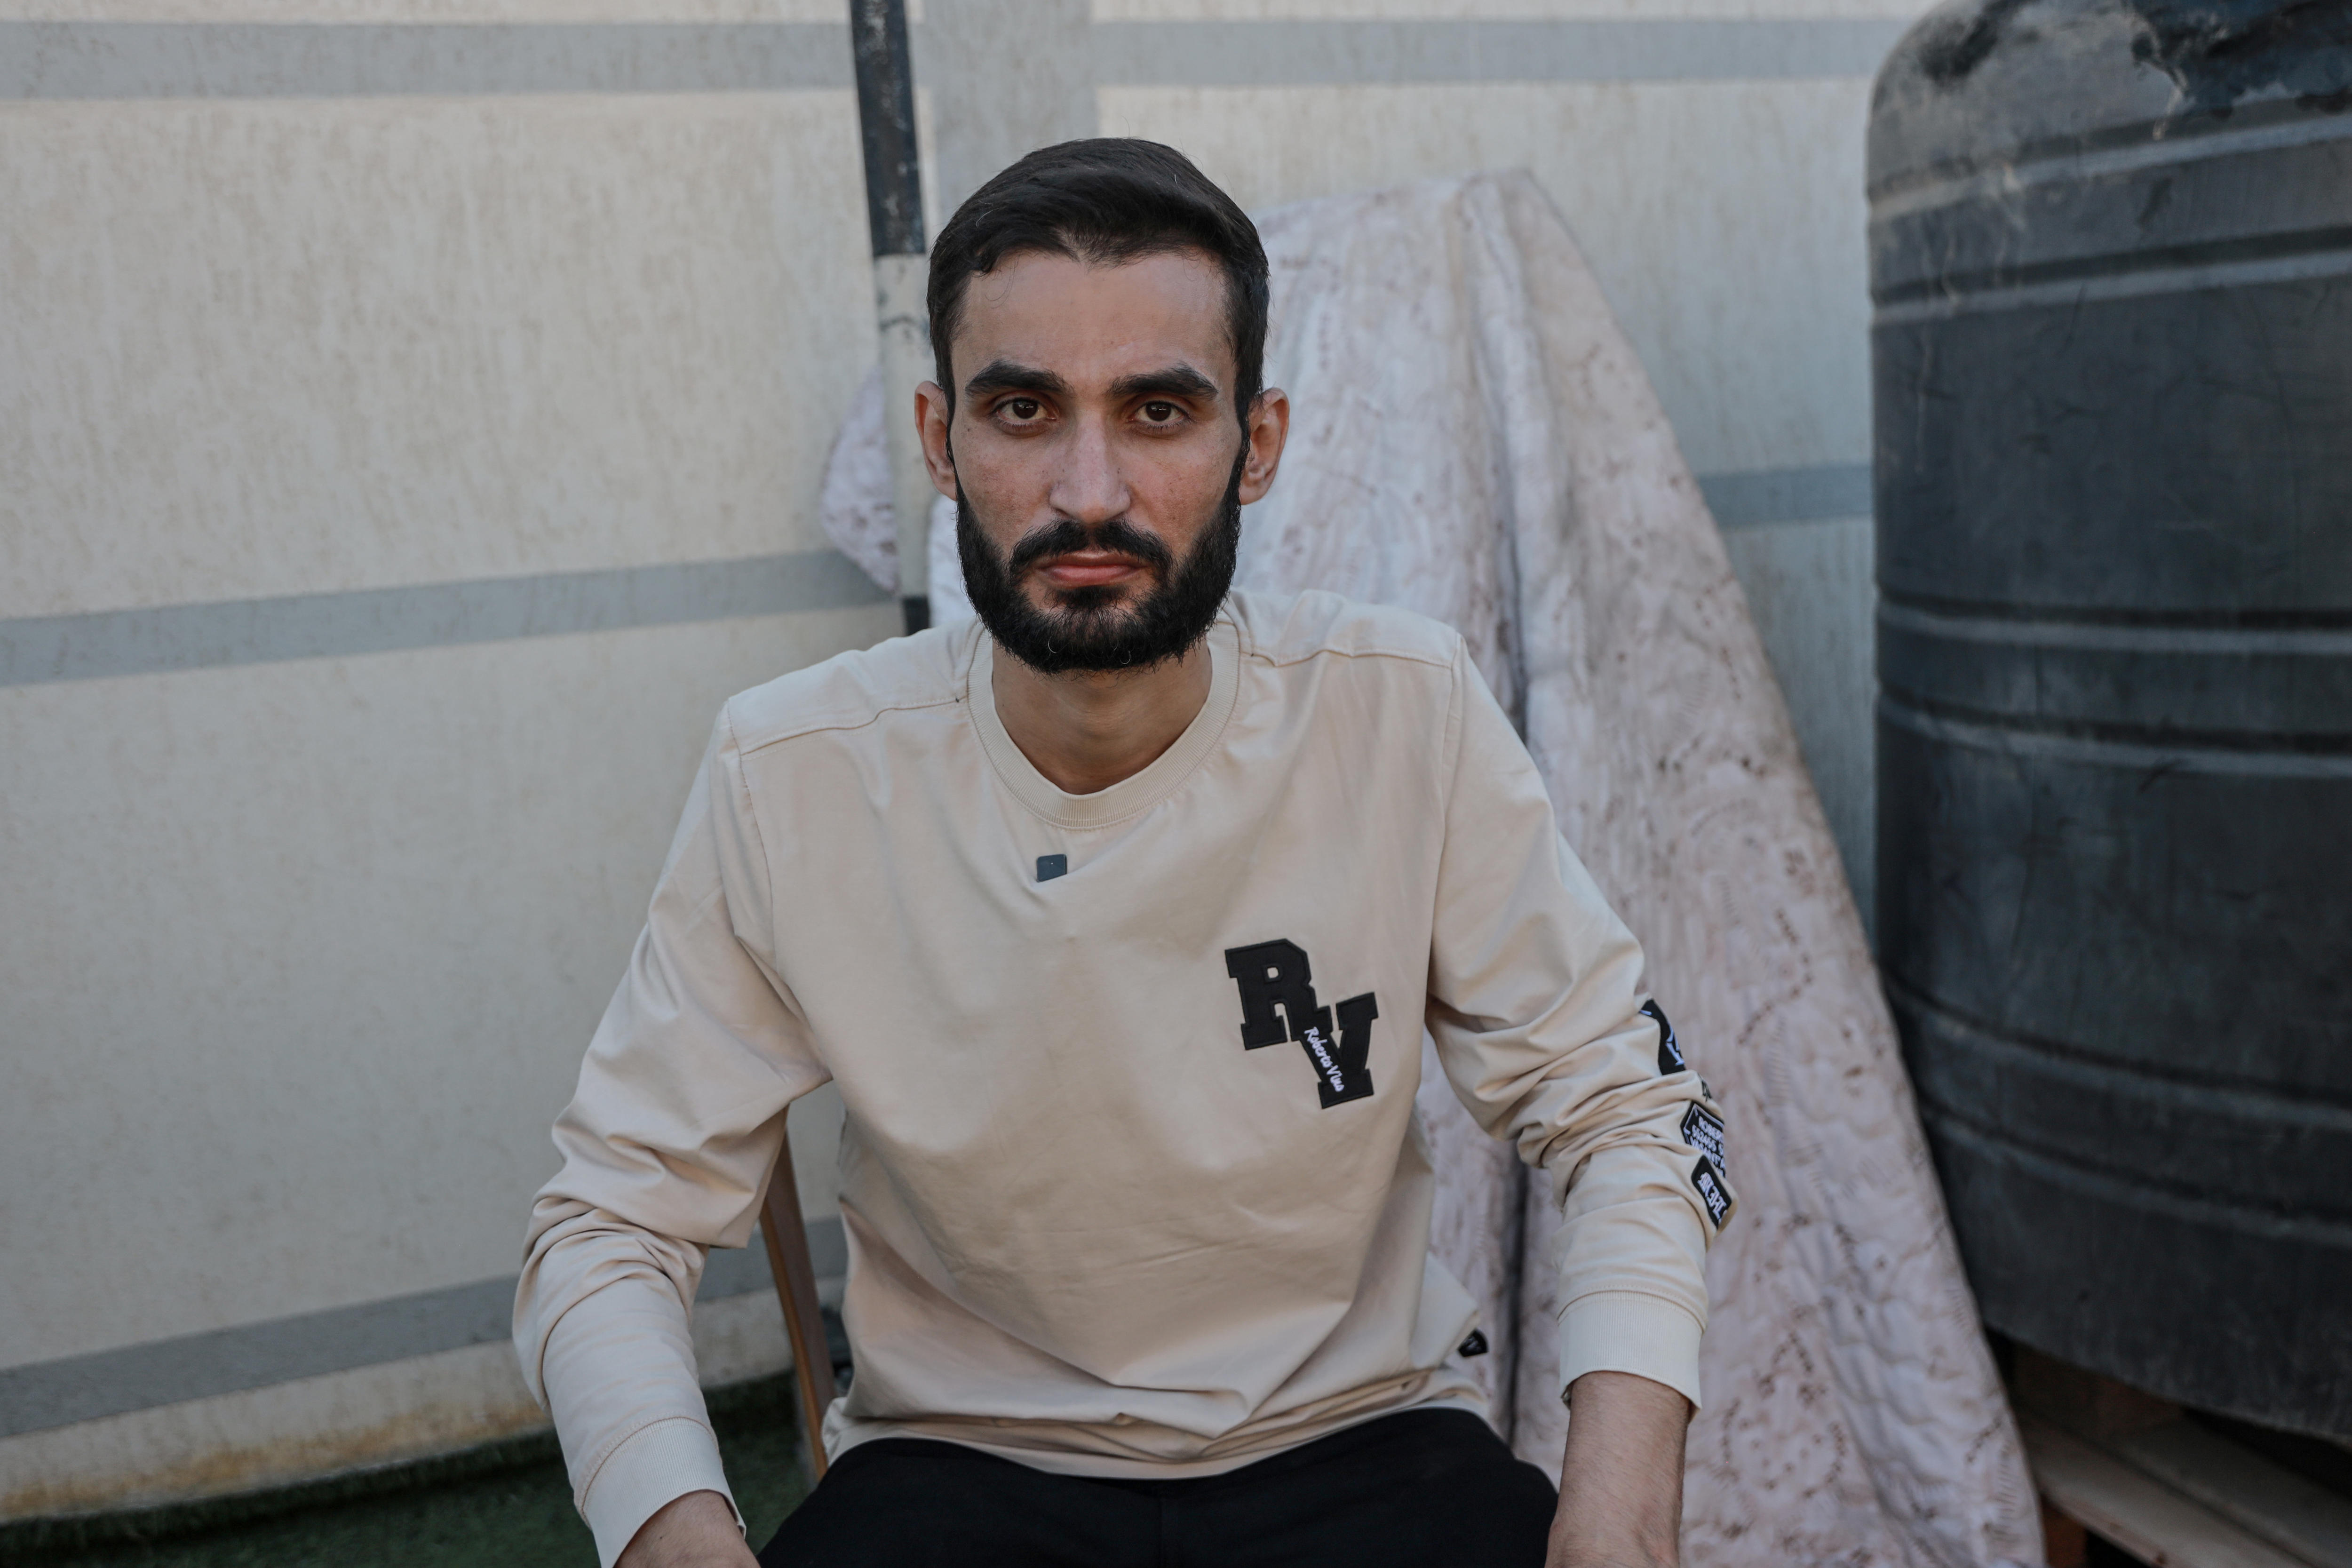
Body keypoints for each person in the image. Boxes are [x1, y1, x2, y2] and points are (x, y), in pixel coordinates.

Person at [515, 138, 1736, 1568]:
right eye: (1023, 409)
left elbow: (1627, 1111)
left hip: (1358, 1440)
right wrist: (673, 1532)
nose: (1087, 490)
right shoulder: (796, 771)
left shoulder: (1399, 709)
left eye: (1158, 410)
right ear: (939, 440)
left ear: (1257, 445)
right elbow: (605, 1222)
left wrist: (1620, 1512)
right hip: (964, 1463)